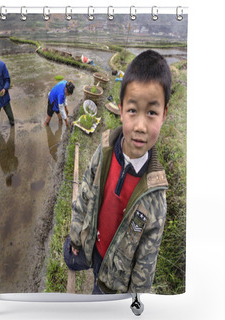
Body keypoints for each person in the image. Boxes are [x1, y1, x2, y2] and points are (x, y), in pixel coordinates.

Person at [64, 50, 171, 294]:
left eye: (152, 112)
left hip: (114, 281)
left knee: (98, 299)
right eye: (133, 110)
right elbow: (83, 197)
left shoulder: (155, 199)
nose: (141, 126)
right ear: (121, 109)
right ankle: (77, 252)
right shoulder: (103, 152)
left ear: (164, 114)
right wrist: (76, 237)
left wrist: (134, 301)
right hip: (92, 246)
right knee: (71, 253)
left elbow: (146, 262)